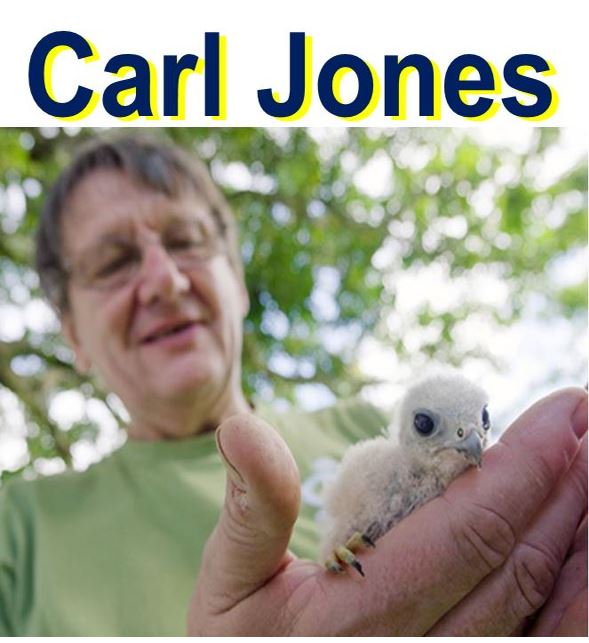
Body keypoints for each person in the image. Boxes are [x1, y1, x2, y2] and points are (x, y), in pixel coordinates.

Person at [0, 134, 586, 636]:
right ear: (70, 331)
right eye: (114, 262)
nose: (165, 280)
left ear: (237, 278)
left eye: (185, 241)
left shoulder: (375, 428)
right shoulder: (18, 535)